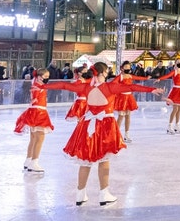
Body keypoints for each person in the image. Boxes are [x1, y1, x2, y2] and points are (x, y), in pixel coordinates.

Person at [44, 62, 163, 206]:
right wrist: (151, 90)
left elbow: (63, 85)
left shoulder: (86, 87)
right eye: (107, 71)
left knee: (85, 161)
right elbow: (131, 87)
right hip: (104, 124)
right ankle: (104, 194)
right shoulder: (109, 87)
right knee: (103, 160)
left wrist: (43, 86)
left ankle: (80, 194)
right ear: (103, 73)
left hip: (87, 125)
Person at [14, 68, 54, 173]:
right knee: (39, 138)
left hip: (33, 112)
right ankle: (34, 162)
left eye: (48, 76)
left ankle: (28, 160)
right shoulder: (38, 86)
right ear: (39, 77)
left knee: (33, 139)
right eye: (45, 76)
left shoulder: (35, 84)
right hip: (39, 113)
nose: (47, 78)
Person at [111, 61, 151, 142]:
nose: (128, 69)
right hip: (122, 98)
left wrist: (146, 78)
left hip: (129, 97)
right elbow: (112, 84)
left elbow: (138, 78)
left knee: (128, 116)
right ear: (122, 68)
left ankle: (126, 134)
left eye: (129, 67)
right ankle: (116, 134)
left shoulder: (130, 76)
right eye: (126, 67)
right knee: (121, 116)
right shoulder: (120, 77)